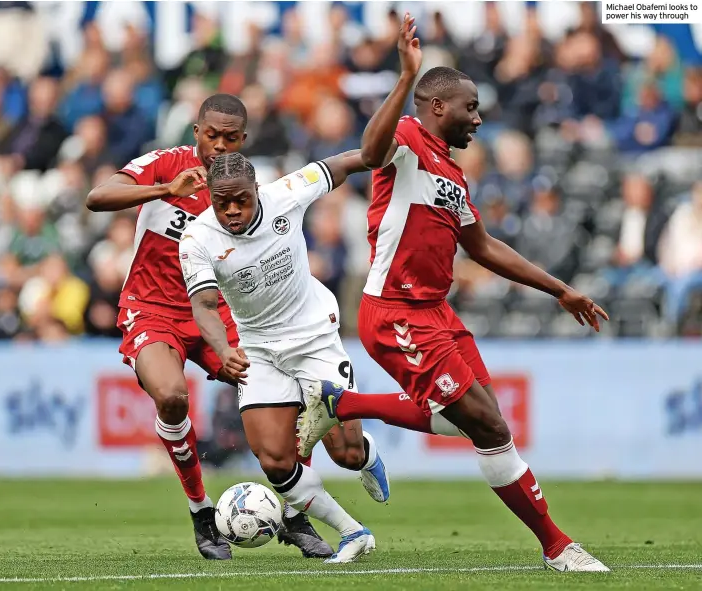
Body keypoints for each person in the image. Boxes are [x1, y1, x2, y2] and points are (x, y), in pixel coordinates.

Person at [299, 14, 610, 573]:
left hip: (435, 313)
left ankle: (340, 404)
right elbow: (370, 154)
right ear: (436, 106)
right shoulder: (409, 139)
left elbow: (485, 248)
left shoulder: (454, 178)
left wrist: (560, 290)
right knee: (488, 428)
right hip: (394, 313)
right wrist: (404, 77)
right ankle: (558, 547)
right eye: (470, 107)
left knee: (478, 419)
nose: (479, 117)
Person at [85, 94, 388, 561]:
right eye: (212, 136)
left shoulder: (245, 188)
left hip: (218, 311)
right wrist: (164, 190)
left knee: (300, 413)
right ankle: (201, 511)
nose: (220, 146)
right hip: (152, 308)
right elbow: (98, 196)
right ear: (196, 132)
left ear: (243, 139)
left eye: (231, 138)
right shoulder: (166, 164)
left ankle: (296, 511)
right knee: (170, 396)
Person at [179, 151, 381, 563]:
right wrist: (223, 349)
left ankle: (368, 454)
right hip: (258, 350)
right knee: (274, 458)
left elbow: (341, 165)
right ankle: (352, 531)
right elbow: (203, 305)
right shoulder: (197, 239)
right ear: (211, 197)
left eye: (241, 199)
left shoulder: (286, 194)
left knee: (346, 455)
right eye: (222, 202)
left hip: (315, 339)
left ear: (256, 191)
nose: (232, 210)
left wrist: (387, 150)